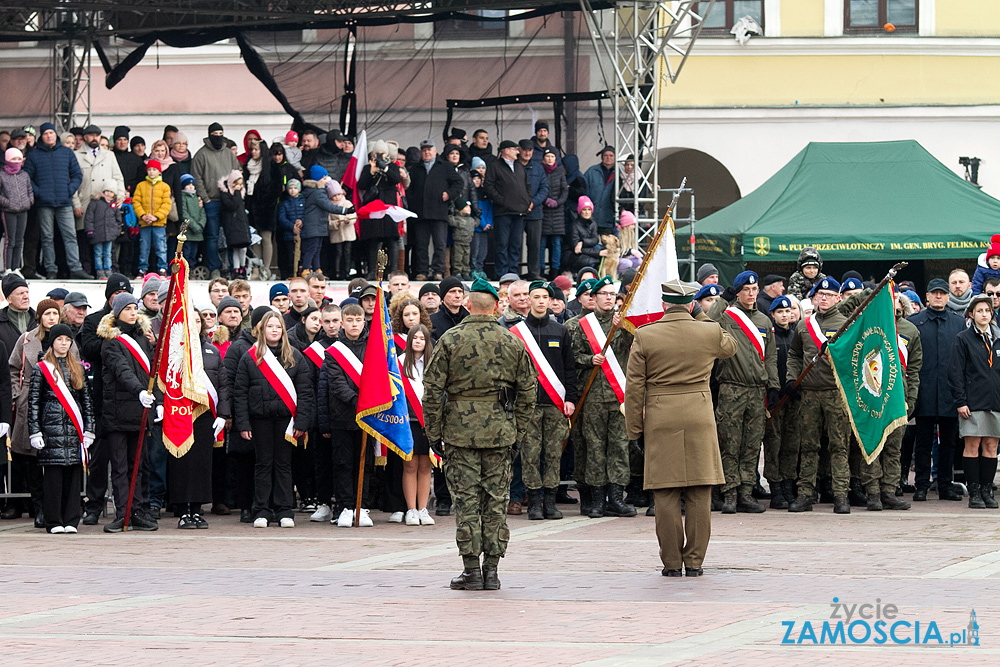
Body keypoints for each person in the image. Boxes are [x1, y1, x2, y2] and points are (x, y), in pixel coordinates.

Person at [423, 278, 535, 590]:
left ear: (468, 305)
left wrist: (433, 433)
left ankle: (471, 570)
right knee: (496, 501)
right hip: (500, 433)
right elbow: (528, 392)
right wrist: (517, 431)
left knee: (466, 502)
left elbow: (432, 392)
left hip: (459, 433)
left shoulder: (450, 339)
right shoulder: (512, 341)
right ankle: (493, 570)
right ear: (498, 306)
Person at [624, 279, 738, 577]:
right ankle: (695, 561)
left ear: (663, 304)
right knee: (700, 491)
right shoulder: (709, 330)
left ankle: (672, 562)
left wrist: (635, 429)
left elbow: (634, 387)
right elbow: (731, 347)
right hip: (699, 414)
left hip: (662, 418)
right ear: (692, 303)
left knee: (665, 492)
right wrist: (699, 316)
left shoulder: (646, 335)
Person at [707, 271, 779, 513]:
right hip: (731, 389)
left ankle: (746, 492)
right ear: (738, 292)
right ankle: (729, 493)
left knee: (751, 444)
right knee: (729, 442)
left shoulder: (764, 321)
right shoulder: (727, 316)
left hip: (758, 390)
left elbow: (770, 357)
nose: (751, 293)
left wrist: (774, 386)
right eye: (746, 290)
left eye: (755, 289)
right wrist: (724, 299)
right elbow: (705, 324)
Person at [234, 310, 313, 528]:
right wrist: (243, 423)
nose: (274, 330)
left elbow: (305, 392)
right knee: (263, 464)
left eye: (278, 326)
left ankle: (284, 509)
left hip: (287, 421)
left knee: (284, 465)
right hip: (259, 420)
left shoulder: (295, 356)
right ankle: (261, 510)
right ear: (261, 329)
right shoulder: (249, 357)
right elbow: (239, 393)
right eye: (270, 326)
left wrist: (302, 422)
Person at [569, 275, 635, 517]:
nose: (608, 298)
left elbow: (638, 347)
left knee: (619, 447)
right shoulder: (580, 325)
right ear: (593, 298)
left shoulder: (625, 323)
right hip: (593, 397)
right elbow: (571, 357)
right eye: (603, 294)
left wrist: (625, 326)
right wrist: (589, 360)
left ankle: (616, 498)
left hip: (619, 399)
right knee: (594, 449)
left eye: (612, 294)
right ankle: (597, 501)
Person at [513, 281, 578, 520]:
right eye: (536, 297)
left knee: (553, 454)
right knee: (529, 455)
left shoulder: (559, 331)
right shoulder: (518, 333)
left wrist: (570, 398)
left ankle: (550, 503)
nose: (541, 301)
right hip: (528, 405)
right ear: (528, 300)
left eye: (545, 297)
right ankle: (533, 503)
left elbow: (569, 369)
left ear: (551, 302)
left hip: (554, 404)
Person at [786, 277, 851, 513]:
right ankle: (805, 493)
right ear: (814, 297)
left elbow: (853, 361)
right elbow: (794, 354)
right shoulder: (804, 325)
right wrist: (791, 379)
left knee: (838, 446)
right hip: (810, 394)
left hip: (835, 393)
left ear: (838, 298)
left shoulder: (846, 324)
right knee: (809, 445)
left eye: (829, 295)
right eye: (820, 294)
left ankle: (841, 494)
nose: (824, 298)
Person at [97, 292, 158, 533]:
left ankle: (139, 511)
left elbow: (152, 372)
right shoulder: (111, 341)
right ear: (118, 312)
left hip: (140, 411)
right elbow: (122, 371)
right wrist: (139, 391)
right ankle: (122, 513)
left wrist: (157, 401)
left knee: (139, 465)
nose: (134, 312)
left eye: (136, 308)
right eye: (128, 309)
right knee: (120, 467)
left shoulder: (144, 338)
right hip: (117, 412)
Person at [27, 323, 94, 534]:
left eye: (67, 340)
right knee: (53, 479)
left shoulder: (78, 368)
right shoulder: (42, 368)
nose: (64, 344)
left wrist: (89, 430)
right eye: (59, 340)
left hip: (74, 431)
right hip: (51, 431)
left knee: (74, 478)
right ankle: (53, 520)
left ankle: (71, 520)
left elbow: (87, 402)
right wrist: (35, 431)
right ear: (52, 342)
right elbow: (34, 402)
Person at [857, 289, 919, 511]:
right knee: (873, 444)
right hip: (873, 396)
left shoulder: (909, 330)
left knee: (894, 449)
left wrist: (910, 400)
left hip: (898, 399)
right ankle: (872, 493)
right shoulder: (869, 324)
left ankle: (889, 491)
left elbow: (914, 369)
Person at [909, 278, 965, 502]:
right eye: (935, 293)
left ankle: (945, 484)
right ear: (927, 296)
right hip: (924, 390)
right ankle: (921, 484)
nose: (939, 296)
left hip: (950, 392)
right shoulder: (915, 322)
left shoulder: (958, 323)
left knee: (949, 442)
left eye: (942, 293)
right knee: (922, 442)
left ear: (948, 296)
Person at [318, 303, 373, 527]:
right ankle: (345, 506)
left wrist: (368, 404)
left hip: (368, 417)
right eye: (349, 320)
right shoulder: (334, 352)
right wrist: (357, 401)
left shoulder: (372, 348)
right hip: (342, 416)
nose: (354, 324)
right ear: (342, 323)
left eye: (357, 320)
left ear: (363, 322)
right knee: (343, 463)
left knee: (365, 463)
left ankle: (362, 506)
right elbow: (337, 385)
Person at [949, 294, 1000, 509]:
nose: (984, 314)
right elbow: (955, 373)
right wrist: (961, 401)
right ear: (971, 314)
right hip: (972, 402)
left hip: (995, 402)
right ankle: (975, 491)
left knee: (991, 446)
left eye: (987, 311)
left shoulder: (998, 338)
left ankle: (988, 489)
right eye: (979, 311)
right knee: (972, 445)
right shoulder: (963, 338)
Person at [23, 123, 90, 279]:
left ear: (56, 134)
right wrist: (39, 193)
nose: (49, 136)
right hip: (44, 204)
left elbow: (77, 175)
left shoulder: (66, 153)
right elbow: (28, 177)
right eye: (45, 133)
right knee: (47, 238)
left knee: (70, 236)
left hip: (64, 202)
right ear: (42, 136)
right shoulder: (34, 155)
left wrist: (68, 190)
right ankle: (51, 269)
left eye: (51, 133)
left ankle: (75, 268)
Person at [761, 296, 800, 509]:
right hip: (775, 399)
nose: (785, 315)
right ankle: (775, 487)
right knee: (774, 443)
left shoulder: (796, 336)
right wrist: (774, 389)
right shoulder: (771, 338)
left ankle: (788, 484)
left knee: (791, 443)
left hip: (793, 397)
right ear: (773, 315)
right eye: (780, 312)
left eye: (788, 311)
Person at [191, 123, 241, 279]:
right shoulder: (201, 155)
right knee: (212, 236)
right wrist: (205, 198)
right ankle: (214, 269)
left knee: (231, 235)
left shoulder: (229, 154)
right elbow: (196, 178)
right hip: (211, 201)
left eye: (221, 133)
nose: (218, 136)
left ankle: (233, 268)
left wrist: (236, 195)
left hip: (229, 201)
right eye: (215, 133)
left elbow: (237, 174)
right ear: (210, 134)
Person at [406, 140, 462, 280]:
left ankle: (438, 271)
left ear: (435, 151)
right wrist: (414, 203)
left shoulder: (445, 166)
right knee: (421, 245)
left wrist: (449, 194)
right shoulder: (415, 169)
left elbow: (458, 183)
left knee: (439, 244)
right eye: (424, 150)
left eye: (429, 149)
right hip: (421, 213)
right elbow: (409, 189)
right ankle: (422, 272)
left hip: (439, 212)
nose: (426, 152)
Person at [399, 323, 436, 525]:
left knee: (425, 466)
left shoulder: (434, 363)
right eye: (415, 338)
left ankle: (423, 508)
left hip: (428, 421)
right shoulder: (399, 363)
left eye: (422, 338)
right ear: (409, 340)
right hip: (408, 421)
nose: (418, 341)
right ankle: (411, 509)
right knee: (410, 465)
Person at [484, 140, 532, 279]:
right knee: (502, 244)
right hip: (503, 212)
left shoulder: (519, 166)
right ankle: (502, 274)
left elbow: (527, 185)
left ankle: (513, 273)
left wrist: (528, 200)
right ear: (505, 150)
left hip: (520, 211)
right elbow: (489, 186)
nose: (518, 152)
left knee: (515, 245)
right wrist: (501, 200)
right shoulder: (494, 166)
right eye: (514, 149)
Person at [301, 166, 353, 275]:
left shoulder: (313, 191)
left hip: (317, 226)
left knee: (316, 249)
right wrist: (346, 210)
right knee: (312, 249)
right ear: (318, 179)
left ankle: (317, 270)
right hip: (314, 226)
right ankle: (306, 269)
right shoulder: (317, 193)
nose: (326, 181)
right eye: (324, 178)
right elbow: (329, 206)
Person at [132, 159, 171, 277]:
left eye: (154, 169)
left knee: (161, 247)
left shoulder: (165, 187)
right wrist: (143, 215)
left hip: (159, 223)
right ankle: (142, 269)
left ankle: (162, 269)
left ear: (159, 171)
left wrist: (157, 216)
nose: (151, 172)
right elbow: (136, 202)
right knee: (144, 247)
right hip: (144, 223)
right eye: (149, 169)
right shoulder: (141, 186)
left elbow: (166, 204)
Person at [0, 147, 35, 274]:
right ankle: (7, 267)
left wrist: (29, 201)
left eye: (19, 159)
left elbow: (29, 190)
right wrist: (7, 203)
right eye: (13, 159)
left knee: (20, 240)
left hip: (23, 210)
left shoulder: (24, 175)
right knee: (10, 240)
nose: (16, 162)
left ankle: (16, 267)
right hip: (9, 211)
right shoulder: (2, 175)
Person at [519, 140, 550, 280]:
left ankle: (534, 273)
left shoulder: (538, 168)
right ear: (519, 150)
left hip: (535, 211)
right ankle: (513, 272)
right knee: (515, 244)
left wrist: (533, 202)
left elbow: (544, 188)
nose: (527, 153)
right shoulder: (514, 166)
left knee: (534, 245)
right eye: (525, 150)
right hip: (517, 211)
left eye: (530, 150)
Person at [218, 170, 252, 279]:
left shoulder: (241, 194)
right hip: (232, 226)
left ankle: (243, 267)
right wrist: (237, 193)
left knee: (243, 248)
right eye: (236, 184)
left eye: (240, 184)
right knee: (236, 248)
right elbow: (232, 205)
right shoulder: (225, 194)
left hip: (242, 225)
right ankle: (236, 269)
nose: (238, 187)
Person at [583, 146, 617, 233]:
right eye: (606, 155)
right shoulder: (591, 171)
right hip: (592, 216)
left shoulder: (620, 173)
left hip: (609, 217)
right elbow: (583, 191)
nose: (608, 158)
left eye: (611, 155)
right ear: (602, 157)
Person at [568, 197, 601, 273]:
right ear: (580, 211)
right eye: (584, 209)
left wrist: (582, 242)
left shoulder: (593, 223)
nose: (587, 212)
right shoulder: (574, 225)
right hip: (576, 255)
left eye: (589, 210)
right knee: (591, 261)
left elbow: (595, 240)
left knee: (600, 249)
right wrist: (597, 253)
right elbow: (576, 249)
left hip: (588, 250)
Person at [429, 277, 469, 342]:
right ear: (443, 295)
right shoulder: (432, 322)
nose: (458, 295)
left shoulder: (469, 319)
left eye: (460, 291)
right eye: (452, 291)